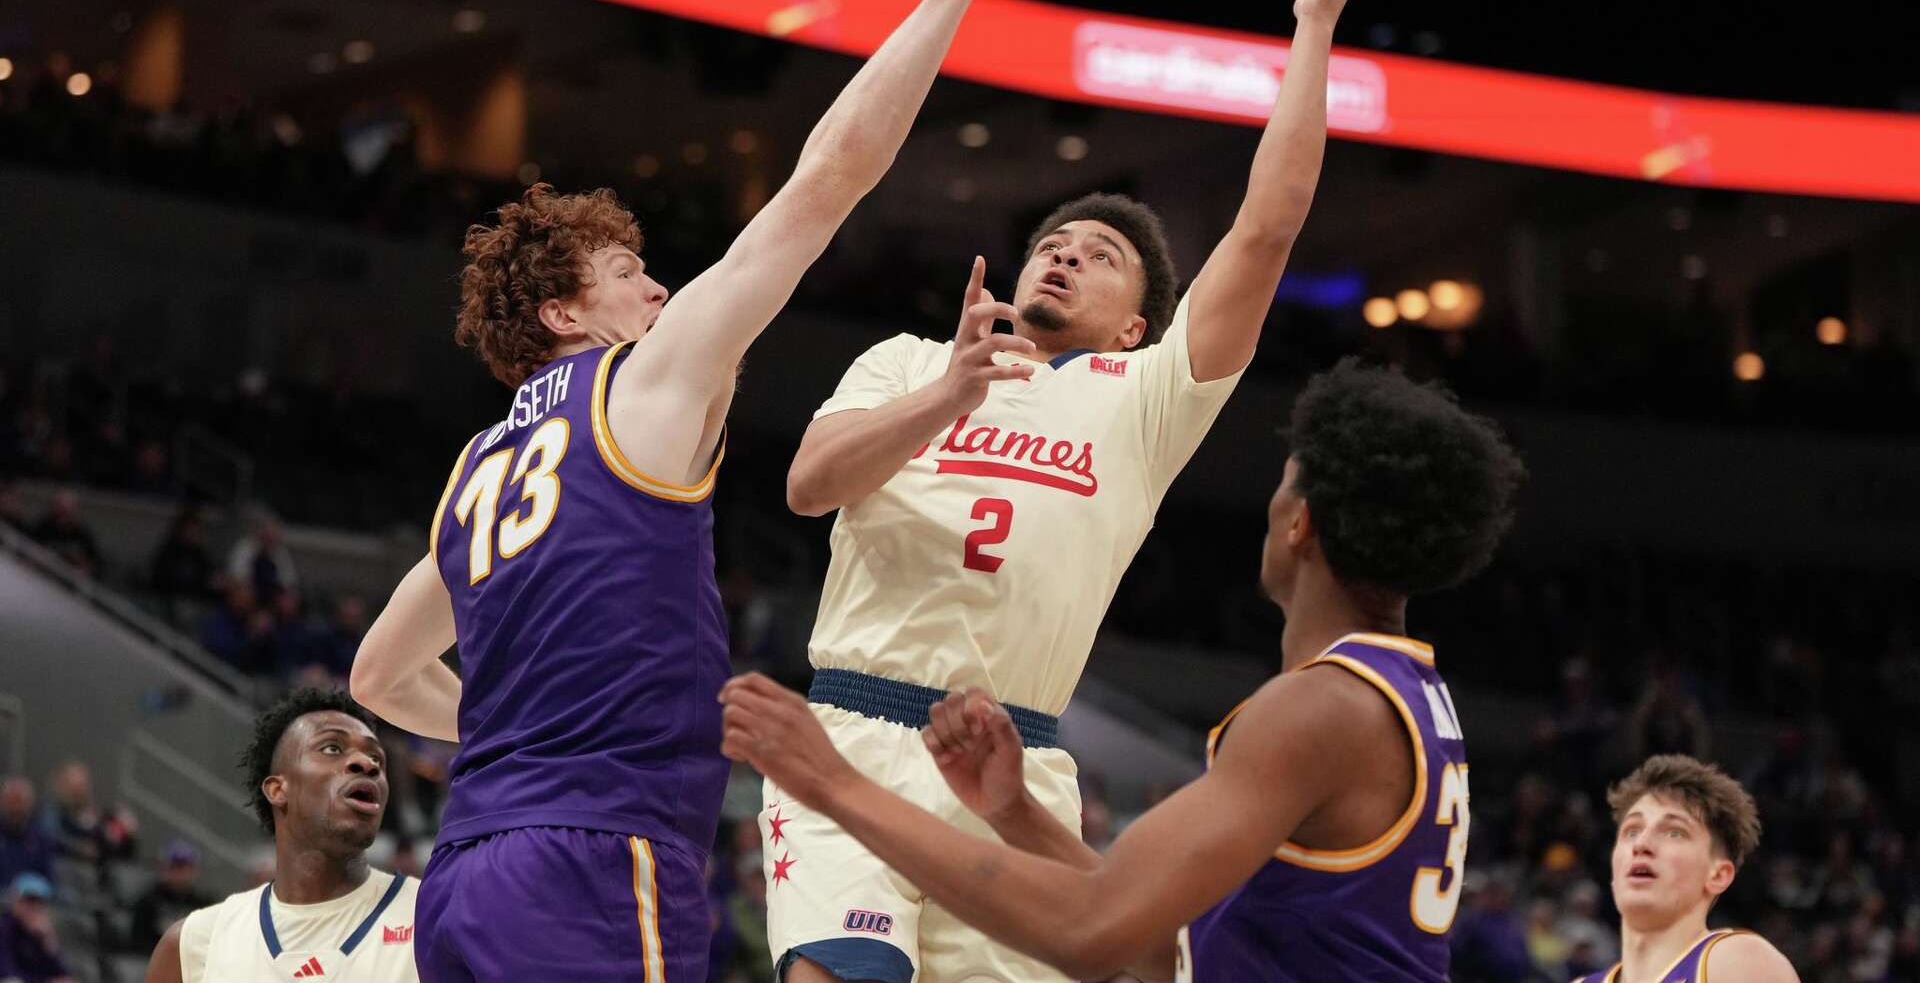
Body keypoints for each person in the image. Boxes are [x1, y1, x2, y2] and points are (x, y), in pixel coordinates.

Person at [350, 0, 1063, 983]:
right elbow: (830, 177)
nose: (658, 286)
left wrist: (515, 743)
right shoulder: (647, 380)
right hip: (595, 856)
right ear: (565, 314)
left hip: (465, 871)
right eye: (626, 270)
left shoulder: (480, 463)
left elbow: (380, 677)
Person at [767, 0, 1420, 983]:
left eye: (1100, 255)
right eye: (1053, 244)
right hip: (854, 729)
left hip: (1011, 765)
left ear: (1134, 326)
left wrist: (1313, 25)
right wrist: (949, 394)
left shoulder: (1147, 397)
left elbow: (1268, 225)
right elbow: (806, 486)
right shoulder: (907, 359)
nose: (1066, 253)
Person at [723, 358, 1523, 982]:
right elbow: (1165, 948)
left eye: (1282, 489)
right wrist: (1019, 817)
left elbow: (1090, 933)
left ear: (1299, 525)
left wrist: (833, 783)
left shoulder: (1318, 711)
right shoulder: (1408, 694)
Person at [143, 688, 418, 983]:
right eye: (332, 748)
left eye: (376, 757)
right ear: (277, 789)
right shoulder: (192, 946)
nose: (367, 764)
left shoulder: (431, 914)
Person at [1571, 754, 1799, 983]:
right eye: (1632, 831)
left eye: (1674, 833)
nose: (1641, 844)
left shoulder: (1738, 962)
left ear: (1718, 875)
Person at [127, 841, 213, 954]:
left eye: (185, 867)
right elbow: (137, 939)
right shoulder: (148, 901)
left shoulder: (203, 905)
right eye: (175, 867)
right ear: (164, 868)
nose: (180, 873)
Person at [1, 873, 72, 983]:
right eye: (30, 901)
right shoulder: (4, 927)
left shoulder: (40, 931)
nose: (35, 907)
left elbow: (61, 974)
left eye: (40, 902)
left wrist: (49, 940)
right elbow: (6, 972)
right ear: (16, 902)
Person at [0, 780, 53, 893]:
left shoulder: (40, 840)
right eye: (11, 801)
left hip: (30, 902)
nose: (16, 808)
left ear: (30, 805)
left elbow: (47, 881)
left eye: (21, 802)